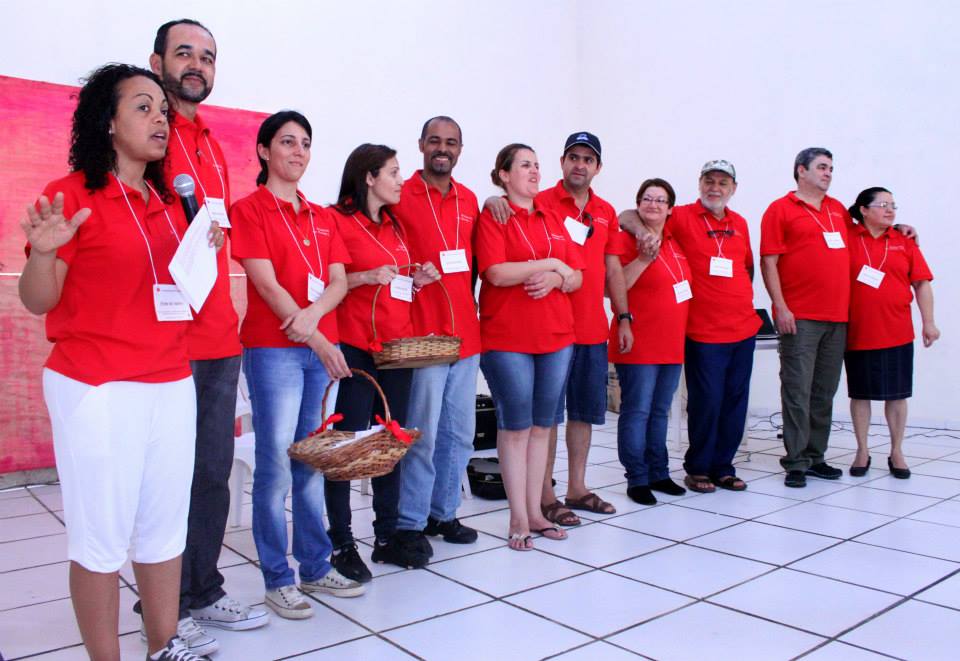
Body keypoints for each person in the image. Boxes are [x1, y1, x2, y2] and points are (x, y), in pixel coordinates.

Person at [19, 63, 223, 661]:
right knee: (101, 537)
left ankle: (164, 644)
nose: (160, 118)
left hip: (170, 379)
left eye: (163, 109)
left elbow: (179, 294)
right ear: (107, 122)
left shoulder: (165, 200)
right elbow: (39, 300)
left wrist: (200, 254)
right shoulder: (71, 195)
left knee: (164, 528)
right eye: (143, 107)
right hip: (97, 385)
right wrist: (44, 253)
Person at [147, 18, 267, 651]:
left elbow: (217, 231)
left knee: (212, 475)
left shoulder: (214, 145)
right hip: (166, 340)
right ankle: (165, 607)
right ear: (156, 59)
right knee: (168, 481)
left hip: (219, 336)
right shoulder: (150, 132)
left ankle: (202, 591)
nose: (197, 65)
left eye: (208, 57)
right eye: (184, 53)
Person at [231, 111, 364, 620]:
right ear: (265, 151)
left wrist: (311, 322)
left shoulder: (321, 216)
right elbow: (265, 284)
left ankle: (314, 564)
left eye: (306, 144)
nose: (299, 152)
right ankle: (276, 577)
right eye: (287, 142)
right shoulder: (251, 210)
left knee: (310, 460)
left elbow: (337, 282)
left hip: (311, 344)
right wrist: (312, 331)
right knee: (275, 467)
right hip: (273, 349)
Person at [485, 132, 631, 527]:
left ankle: (576, 488)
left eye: (588, 159)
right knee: (537, 422)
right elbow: (499, 263)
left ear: (597, 167)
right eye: (573, 157)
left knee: (579, 414)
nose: (580, 165)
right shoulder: (542, 203)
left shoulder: (604, 210)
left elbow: (604, 268)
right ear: (563, 162)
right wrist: (552, 268)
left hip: (581, 329)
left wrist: (622, 315)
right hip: (531, 332)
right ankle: (542, 499)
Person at [326, 143, 442, 579]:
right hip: (355, 348)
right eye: (393, 172)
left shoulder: (395, 226)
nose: (400, 179)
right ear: (369, 177)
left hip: (396, 351)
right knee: (349, 448)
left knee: (390, 444)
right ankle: (341, 543)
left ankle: (387, 536)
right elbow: (326, 282)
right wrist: (363, 277)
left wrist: (417, 281)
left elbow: (395, 287)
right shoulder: (335, 220)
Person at [476, 143, 584, 550]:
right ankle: (517, 517)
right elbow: (497, 272)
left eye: (537, 165)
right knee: (516, 427)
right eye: (525, 165)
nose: (535, 171)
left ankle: (538, 511)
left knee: (543, 426)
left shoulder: (555, 216)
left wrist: (560, 277)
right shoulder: (494, 214)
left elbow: (577, 277)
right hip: (509, 339)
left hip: (557, 336)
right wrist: (550, 265)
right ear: (504, 174)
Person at [393, 116, 482, 555]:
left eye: (450, 142)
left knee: (460, 434)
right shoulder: (400, 194)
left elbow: (477, 261)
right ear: (421, 145)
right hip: (422, 336)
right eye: (434, 141)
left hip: (466, 334)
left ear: (460, 150)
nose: (442, 148)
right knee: (422, 434)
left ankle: (443, 513)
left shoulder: (469, 200)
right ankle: (409, 521)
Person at [760, 148, 851, 488]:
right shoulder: (780, 209)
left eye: (831, 167)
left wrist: (900, 226)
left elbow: (868, 230)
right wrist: (779, 306)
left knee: (824, 391)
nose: (829, 173)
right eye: (822, 167)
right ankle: (795, 461)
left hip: (838, 316)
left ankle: (816, 456)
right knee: (797, 390)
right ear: (801, 171)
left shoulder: (838, 210)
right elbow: (769, 262)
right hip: (801, 317)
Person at [671, 161, 760, 493]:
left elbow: (746, 268)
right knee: (706, 400)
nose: (715, 188)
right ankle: (698, 467)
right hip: (703, 330)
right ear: (699, 183)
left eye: (723, 183)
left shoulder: (741, 223)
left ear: (733, 188)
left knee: (735, 400)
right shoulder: (680, 216)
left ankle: (723, 466)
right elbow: (634, 216)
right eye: (709, 181)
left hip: (743, 328)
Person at [845, 187, 938, 478]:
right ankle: (862, 450)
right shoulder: (847, 238)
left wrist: (929, 322)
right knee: (860, 394)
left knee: (896, 396)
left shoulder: (903, 241)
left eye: (893, 205)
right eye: (883, 205)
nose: (890, 210)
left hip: (897, 330)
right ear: (863, 209)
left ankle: (897, 450)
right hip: (858, 330)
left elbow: (922, 284)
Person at [611, 179, 690, 505]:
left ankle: (659, 472)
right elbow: (615, 286)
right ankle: (637, 477)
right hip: (638, 337)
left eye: (660, 200)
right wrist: (643, 258)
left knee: (661, 411)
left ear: (670, 208)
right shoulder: (625, 239)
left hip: (671, 341)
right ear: (638, 203)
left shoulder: (674, 239)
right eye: (647, 199)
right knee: (637, 410)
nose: (653, 205)